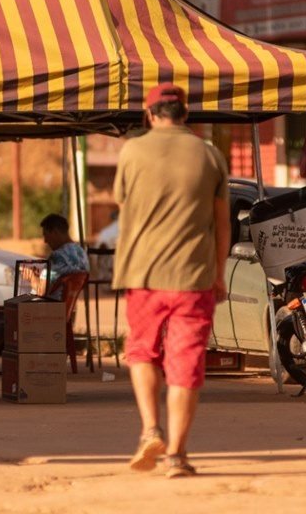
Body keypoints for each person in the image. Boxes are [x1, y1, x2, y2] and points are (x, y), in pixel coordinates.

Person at [112, 83, 229, 478]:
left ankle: (150, 430)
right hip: (193, 276)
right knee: (186, 363)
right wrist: (218, 272)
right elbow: (222, 222)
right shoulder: (210, 155)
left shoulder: (131, 151)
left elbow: (123, 204)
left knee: (142, 352)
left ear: (149, 114)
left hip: (143, 273)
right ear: (186, 114)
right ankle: (176, 456)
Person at [23, 214, 89, 293]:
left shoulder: (57, 256)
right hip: (67, 304)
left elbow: (41, 291)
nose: (45, 241)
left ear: (55, 232)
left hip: (49, 304)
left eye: (46, 235)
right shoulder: (81, 252)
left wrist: (32, 277)